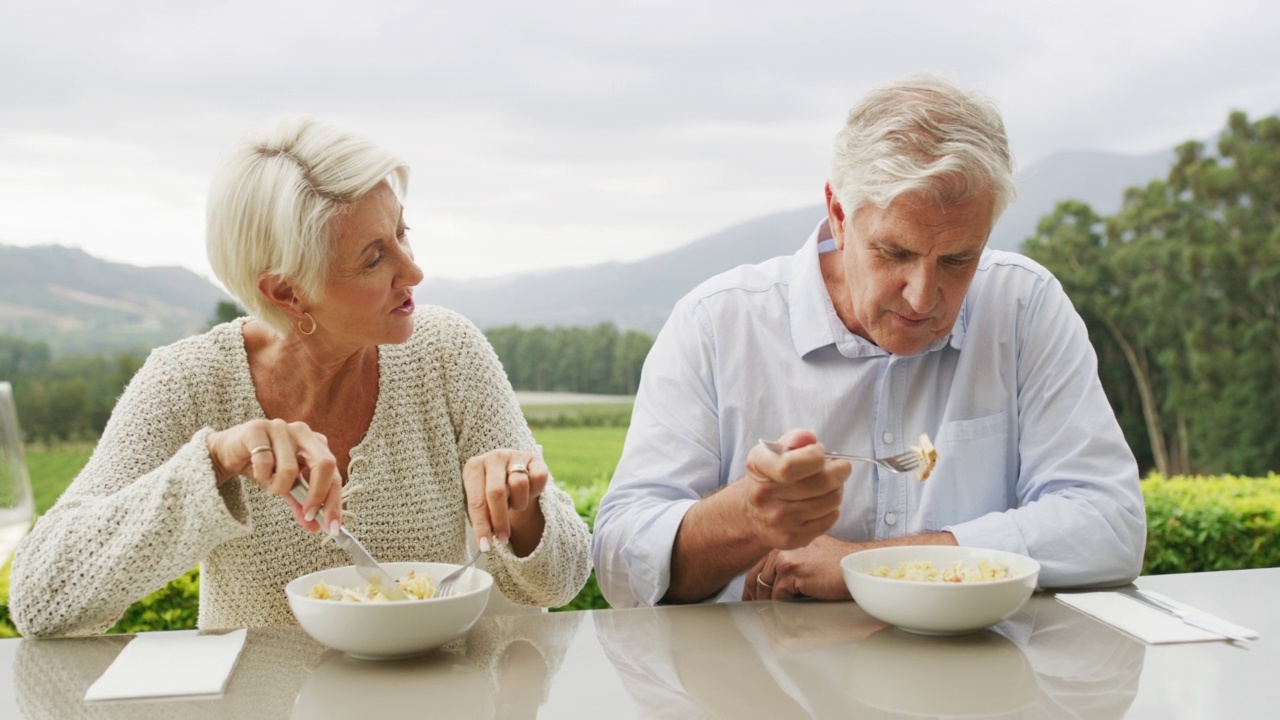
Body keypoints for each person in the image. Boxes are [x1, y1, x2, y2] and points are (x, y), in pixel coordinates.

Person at [9, 117, 592, 636]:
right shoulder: (187, 382)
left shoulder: (448, 352)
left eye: (403, 233)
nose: (413, 270)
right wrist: (215, 462)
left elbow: (561, 579)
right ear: (287, 291)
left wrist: (521, 510)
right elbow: (40, 601)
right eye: (373, 257)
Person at [591, 74, 1146, 607]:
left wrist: (872, 565)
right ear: (838, 214)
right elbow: (619, 562)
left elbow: (1110, 524)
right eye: (895, 253)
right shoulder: (717, 325)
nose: (923, 297)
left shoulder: (1024, 308)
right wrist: (747, 518)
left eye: (958, 259)